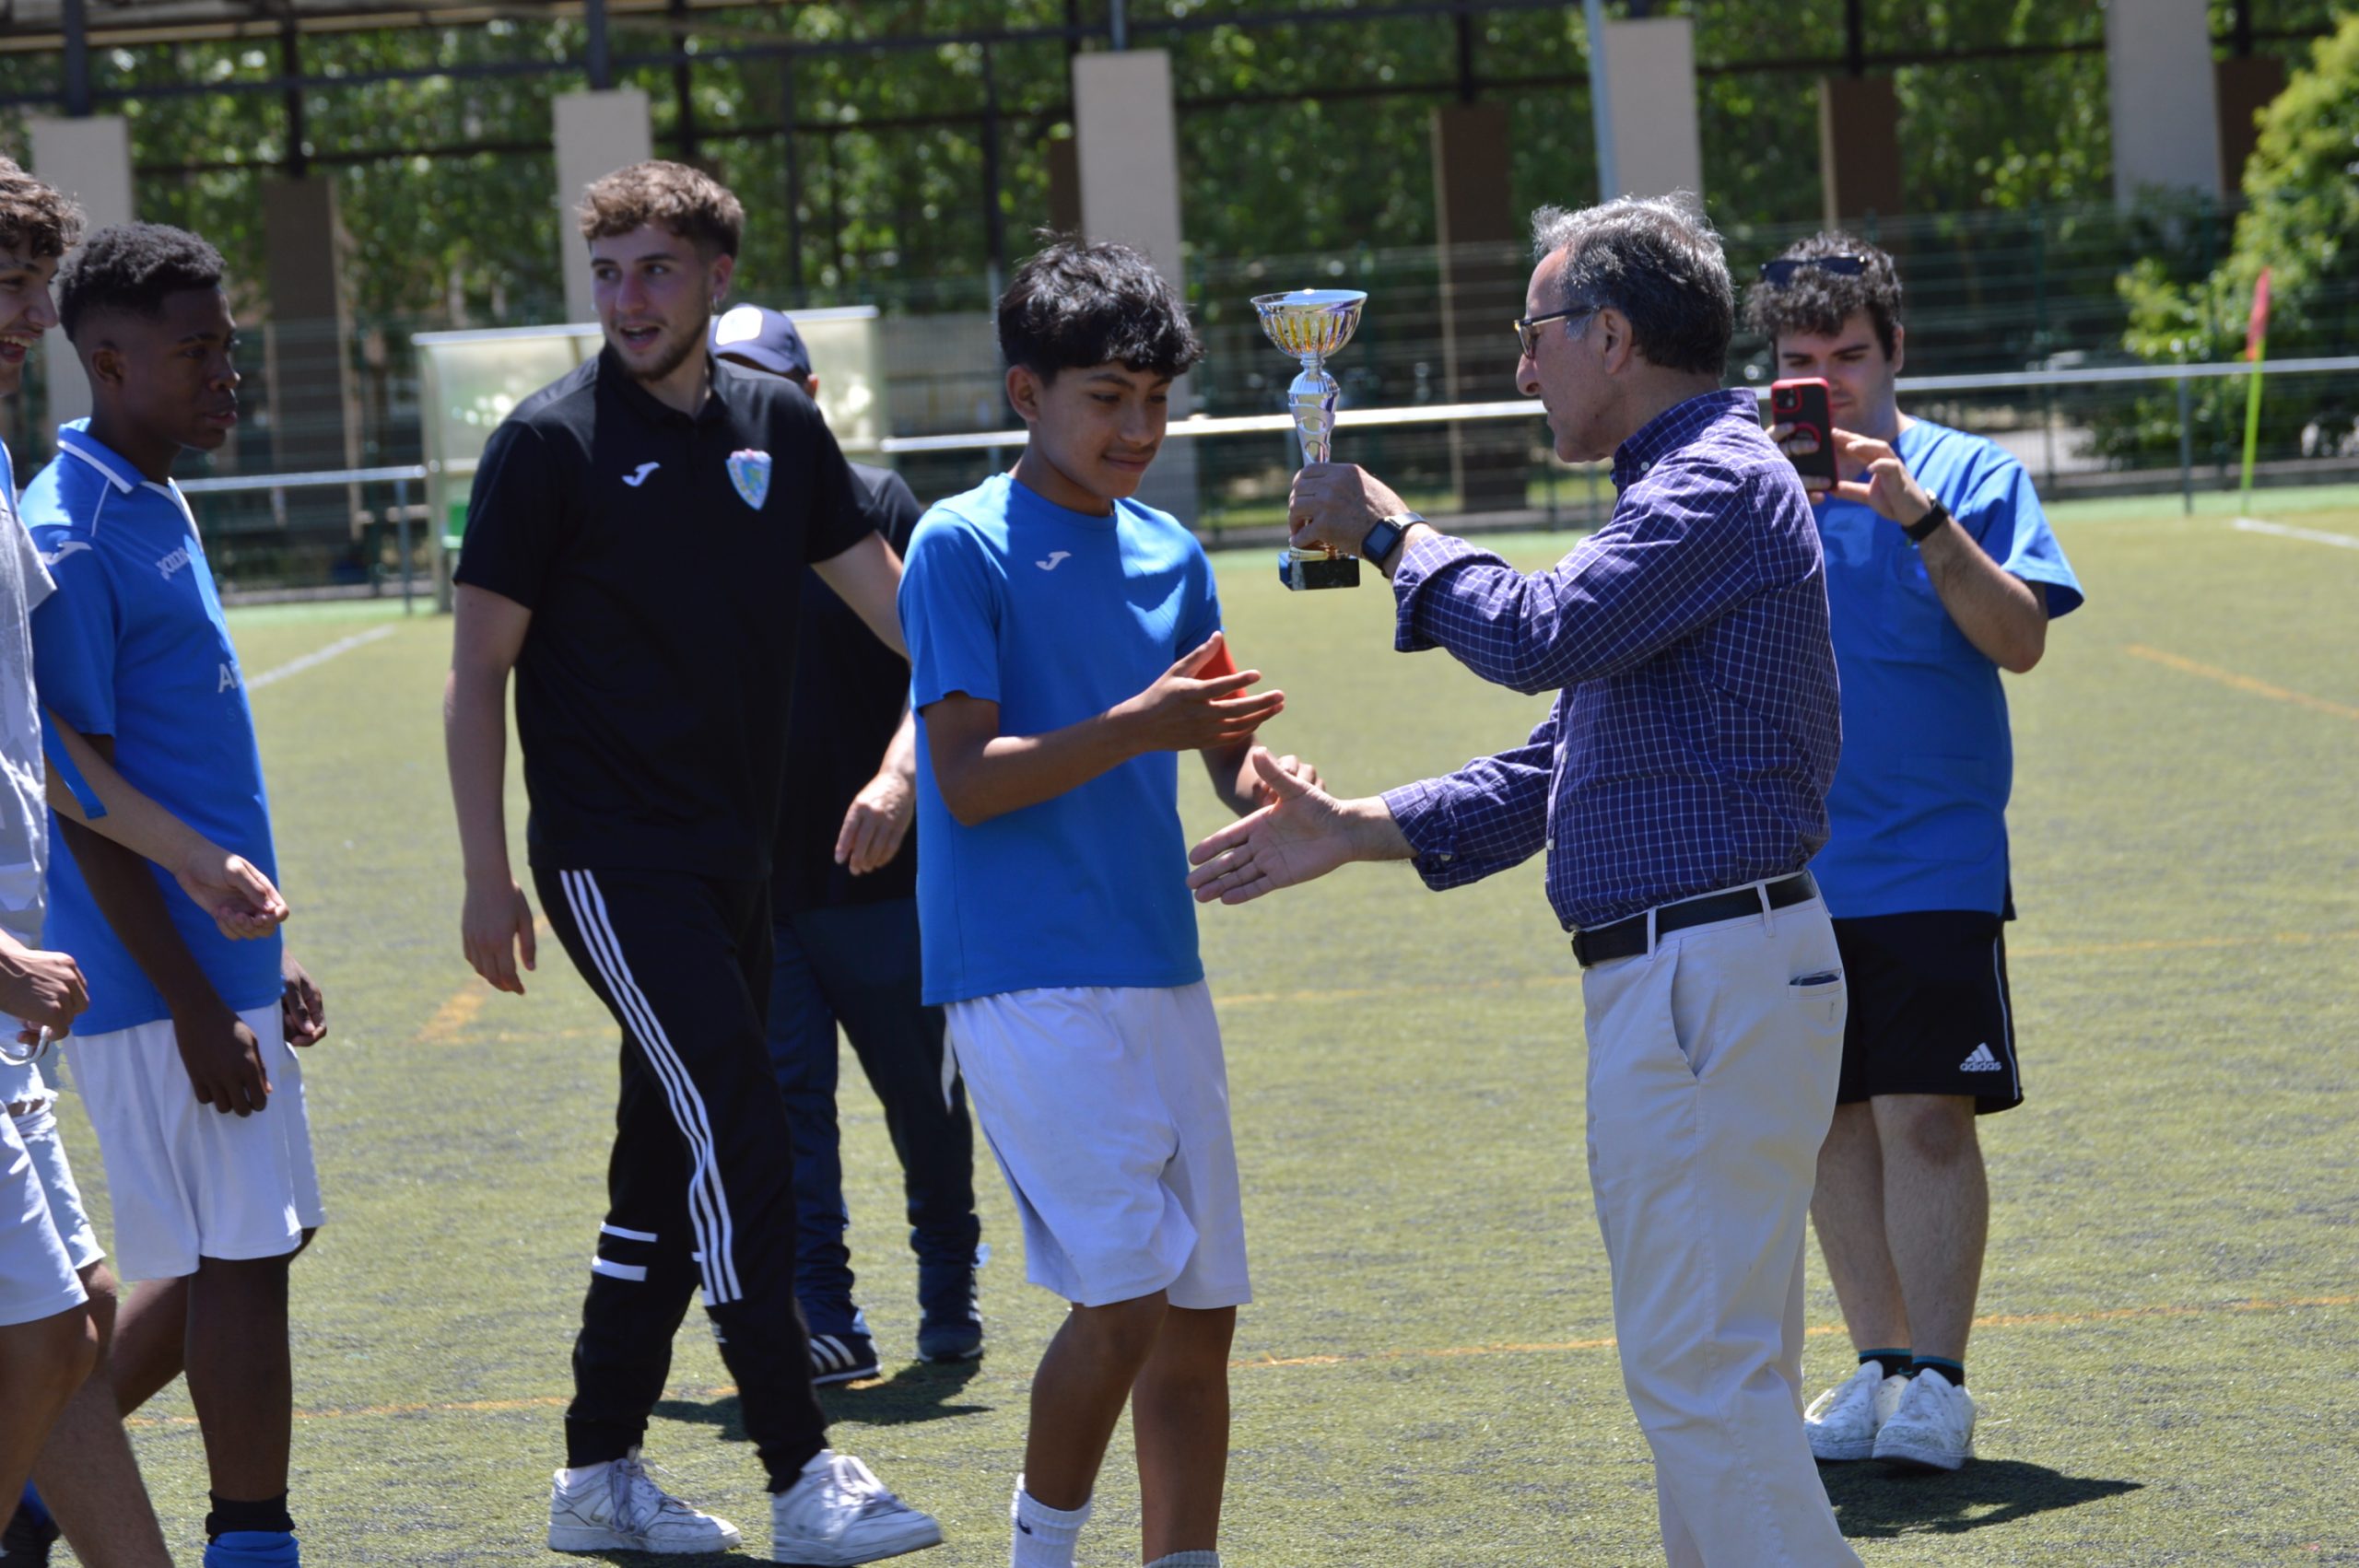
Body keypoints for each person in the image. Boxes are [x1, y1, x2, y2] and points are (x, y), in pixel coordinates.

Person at [1186, 194, 1860, 1568]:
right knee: (1717, 1373)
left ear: (1613, 334)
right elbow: (1567, 764)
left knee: (1697, 1375)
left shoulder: (1715, 480)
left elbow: (1543, 635)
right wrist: (1358, 826)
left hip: (1705, 971)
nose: (1520, 364)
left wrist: (1391, 534)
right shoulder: (1687, 487)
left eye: (1534, 332)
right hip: (1702, 968)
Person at [443, 161, 940, 1565]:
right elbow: (478, 673)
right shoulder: (546, 446)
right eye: (607, 273)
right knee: (743, 1121)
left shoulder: (779, 421)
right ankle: (800, 1468)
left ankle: (598, 1471)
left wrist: (923, 746)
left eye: (656, 269)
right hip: (608, 860)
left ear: (718, 277)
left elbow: (912, 627)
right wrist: (490, 876)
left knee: (660, 1171)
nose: (628, 299)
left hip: (742, 867)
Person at [899, 238, 1310, 1568]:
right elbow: (962, 780)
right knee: (1124, 1295)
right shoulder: (959, 546)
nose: (1137, 428)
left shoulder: (1173, 549)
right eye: (1106, 398)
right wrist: (1142, 722)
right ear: (1028, 393)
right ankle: (1041, 1553)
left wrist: (1267, 779)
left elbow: (1219, 742)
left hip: (1159, 963)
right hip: (1020, 974)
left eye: (1155, 398)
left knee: (1199, 1313)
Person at [1746, 234, 2083, 1471]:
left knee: (1925, 1119)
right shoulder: (1742, 474)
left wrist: (1919, 517)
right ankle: (1880, 1366)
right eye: (1798, 358)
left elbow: (2021, 638)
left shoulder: (1968, 470)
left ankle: (1940, 1381)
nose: (1824, 379)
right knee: (1830, 1125)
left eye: (1848, 354)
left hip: (1933, 858)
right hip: (1783, 859)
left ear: (1896, 353)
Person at [24, 221, 327, 1568]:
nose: (227, 373)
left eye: (229, 344)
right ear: (106, 360)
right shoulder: (68, 526)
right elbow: (74, 797)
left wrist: (265, 966)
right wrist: (203, 999)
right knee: (241, 1260)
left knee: (242, 1246)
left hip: (211, 968)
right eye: (195, 350)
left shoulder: (150, 494)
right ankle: (250, 1543)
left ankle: (34, 1494)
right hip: (149, 979)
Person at [710, 303, 983, 1381]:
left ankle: (947, 1280)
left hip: (884, 880)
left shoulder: (873, 505)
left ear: (810, 397)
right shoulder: (683, 529)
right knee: (787, 1115)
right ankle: (823, 1308)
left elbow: (941, 657)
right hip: (754, 889)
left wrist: (895, 776)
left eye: (766, 382)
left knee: (923, 1100)